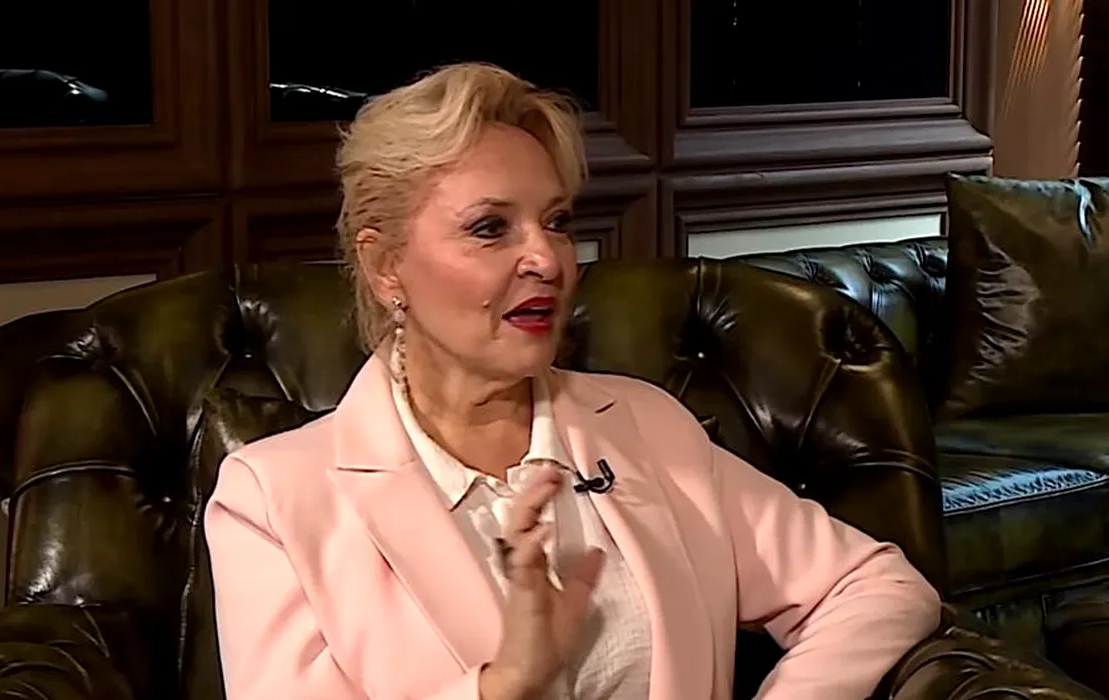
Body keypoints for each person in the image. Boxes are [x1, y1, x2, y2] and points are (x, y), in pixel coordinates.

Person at [203, 62, 943, 700]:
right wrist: (504, 685)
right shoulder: (273, 499)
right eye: (490, 228)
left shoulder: (647, 427)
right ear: (384, 265)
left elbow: (875, 586)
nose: (547, 260)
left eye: (555, 221)